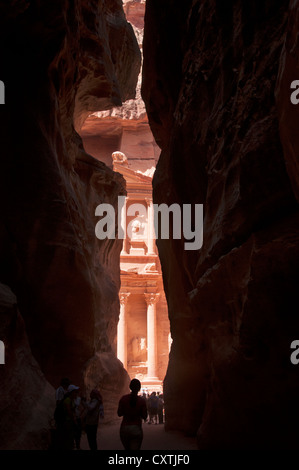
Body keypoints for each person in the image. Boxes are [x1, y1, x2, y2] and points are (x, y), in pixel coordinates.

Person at [117, 378, 147, 450]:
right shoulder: (141, 401)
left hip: (124, 428)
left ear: (130, 387)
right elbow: (145, 416)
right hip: (136, 429)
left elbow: (119, 413)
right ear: (139, 388)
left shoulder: (123, 399)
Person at [61, 384, 80, 450]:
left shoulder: (71, 400)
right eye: (75, 392)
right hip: (68, 423)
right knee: (69, 440)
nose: (76, 394)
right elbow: (69, 412)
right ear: (71, 392)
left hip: (70, 422)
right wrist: (74, 420)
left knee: (71, 439)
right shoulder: (68, 400)